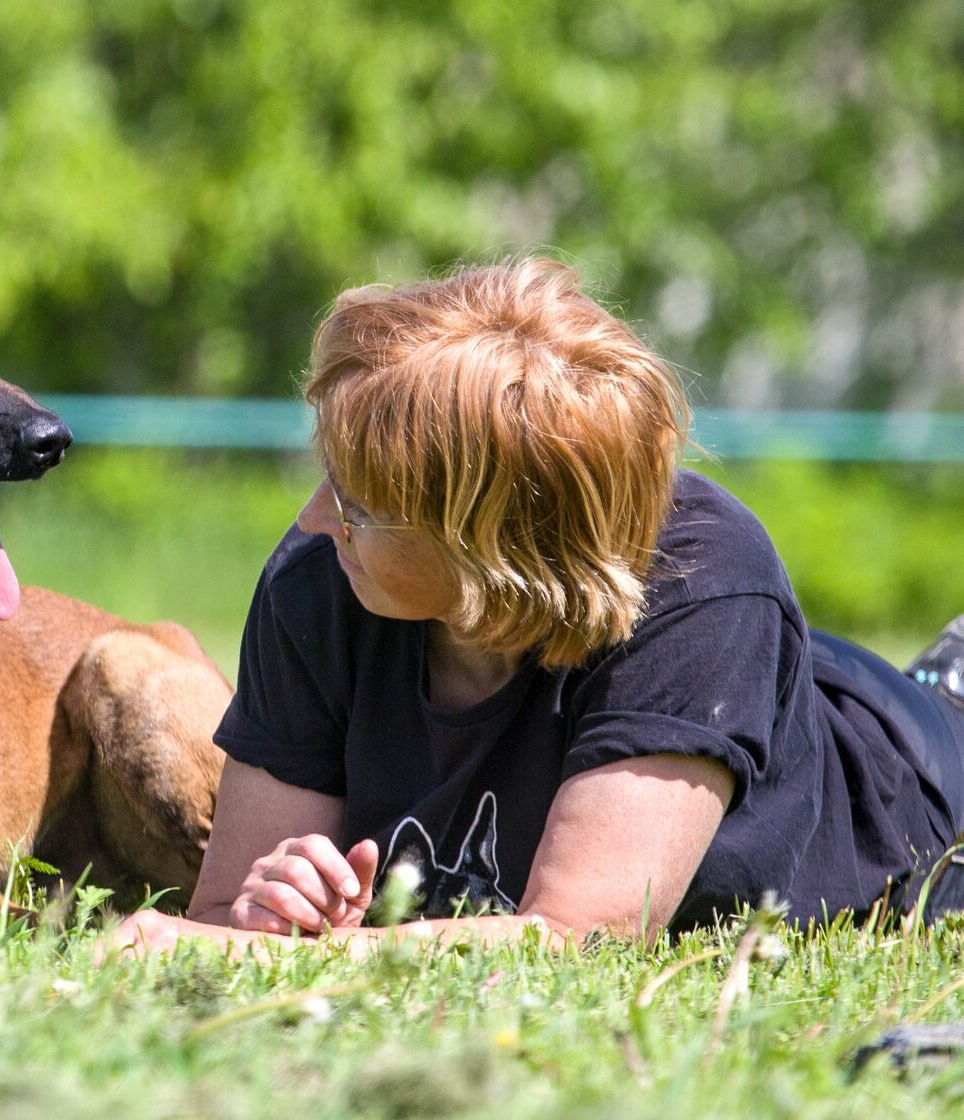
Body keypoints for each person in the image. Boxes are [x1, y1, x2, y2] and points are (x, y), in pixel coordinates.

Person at [111, 258, 964, 956]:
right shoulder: (321, 578)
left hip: (910, 757)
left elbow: (578, 937)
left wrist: (261, 958)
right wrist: (270, 912)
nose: (312, 519)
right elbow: (225, 915)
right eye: (327, 474)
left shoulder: (705, 580)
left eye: (360, 501)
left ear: (493, 542)